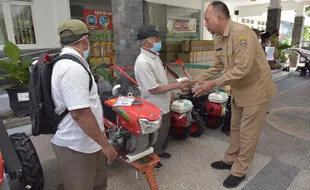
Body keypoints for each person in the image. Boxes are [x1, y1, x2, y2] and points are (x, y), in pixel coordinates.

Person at [185, 1, 277, 188]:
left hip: (256, 90)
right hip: (240, 89)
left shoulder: (242, 34)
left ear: (219, 17)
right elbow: (217, 66)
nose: (205, 24)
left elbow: (242, 69)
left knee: (248, 133)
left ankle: (239, 171)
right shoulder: (219, 37)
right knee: (235, 128)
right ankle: (229, 160)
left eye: (207, 19)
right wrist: (194, 80)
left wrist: (213, 83)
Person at [51, 19, 117, 190]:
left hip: (88, 142)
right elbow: (80, 114)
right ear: (85, 39)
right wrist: (106, 145)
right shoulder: (72, 68)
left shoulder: (72, 62)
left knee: (98, 184)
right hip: (76, 146)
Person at [134, 25, 189, 168]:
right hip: (153, 105)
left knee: (164, 130)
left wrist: (170, 92)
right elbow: (153, 89)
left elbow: (162, 80)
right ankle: (150, 158)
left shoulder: (155, 57)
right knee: (154, 135)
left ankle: (158, 152)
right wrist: (177, 85)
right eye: (156, 38)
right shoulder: (143, 62)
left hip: (163, 102)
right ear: (146, 42)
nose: (160, 41)